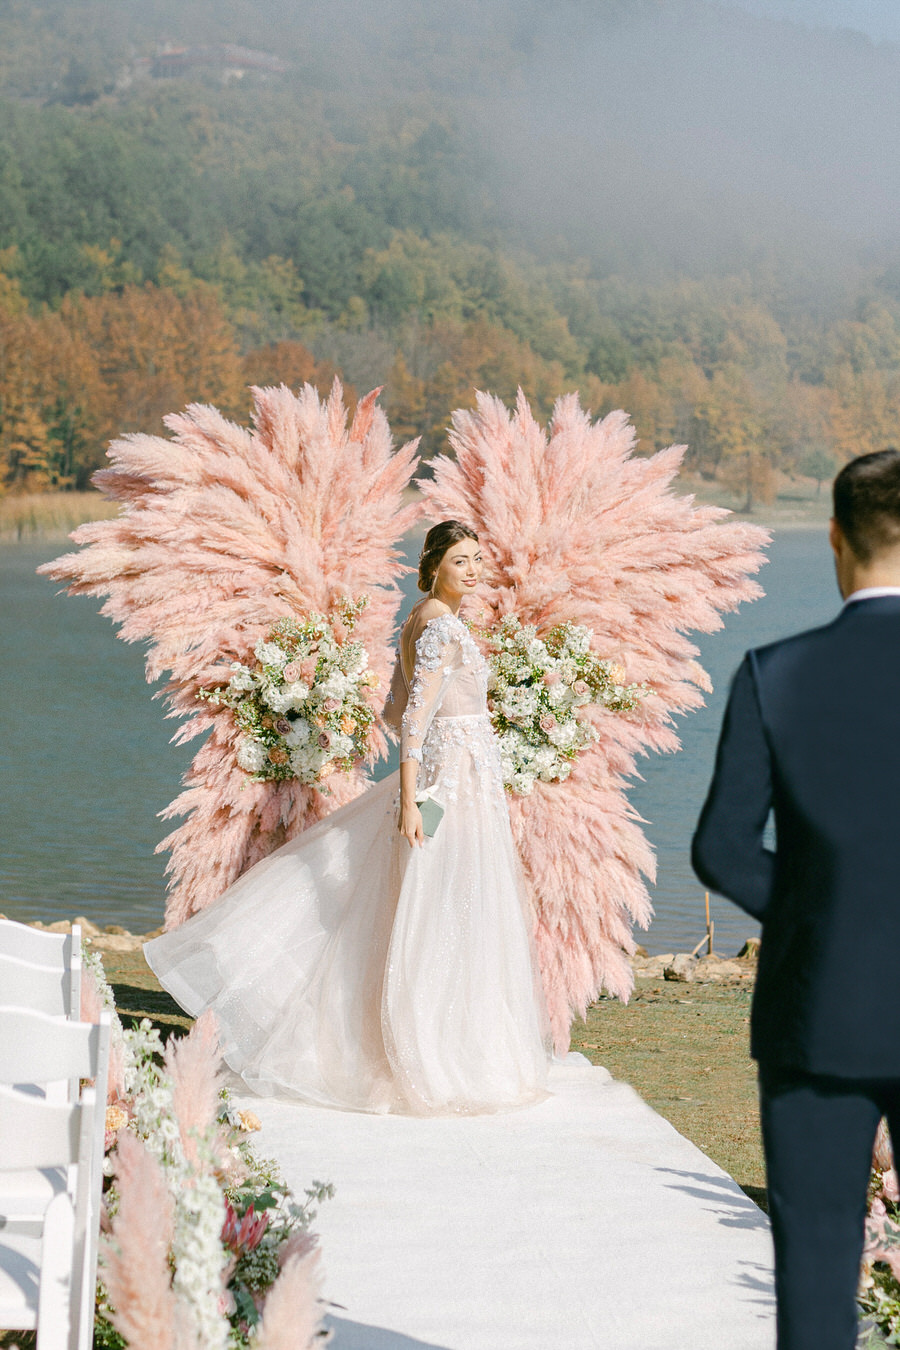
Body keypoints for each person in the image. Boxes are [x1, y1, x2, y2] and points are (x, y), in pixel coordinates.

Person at [145, 520, 551, 1115]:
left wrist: (453, 734)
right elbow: (411, 721)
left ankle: (420, 1039)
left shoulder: (419, 620)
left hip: (455, 776)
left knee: (424, 905)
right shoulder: (441, 625)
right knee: (445, 907)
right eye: (460, 560)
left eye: (477, 560)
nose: (473, 570)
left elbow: (390, 707)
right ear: (434, 563)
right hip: (451, 785)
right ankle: (433, 1051)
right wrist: (419, 792)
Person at [691, 450, 900, 1350]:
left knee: (814, 1276)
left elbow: (719, 848)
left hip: (818, 1013)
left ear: (833, 540)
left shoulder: (775, 672)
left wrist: (820, 914)